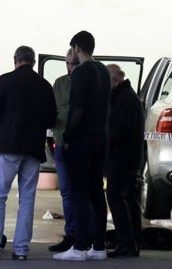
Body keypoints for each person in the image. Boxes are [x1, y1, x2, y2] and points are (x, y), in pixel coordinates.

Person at [0, 46, 57, 261]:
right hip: (33, 149)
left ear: (15, 60)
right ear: (34, 62)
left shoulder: (6, 80)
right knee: (27, 199)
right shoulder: (44, 85)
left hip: (9, 146)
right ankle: (20, 250)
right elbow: (51, 119)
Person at [53, 30, 111, 261]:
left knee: (78, 193)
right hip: (101, 139)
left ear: (77, 48)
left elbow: (76, 109)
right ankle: (98, 247)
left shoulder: (80, 73)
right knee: (97, 192)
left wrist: (68, 138)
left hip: (82, 141)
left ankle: (79, 247)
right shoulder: (104, 71)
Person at [105, 64, 144, 258]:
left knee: (115, 196)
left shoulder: (125, 100)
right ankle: (133, 242)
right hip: (129, 157)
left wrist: (103, 138)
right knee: (129, 198)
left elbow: (119, 131)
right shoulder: (126, 96)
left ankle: (126, 242)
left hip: (123, 157)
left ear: (114, 81)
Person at [49, 49, 80, 252]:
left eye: (74, 64)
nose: (70, 68)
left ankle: (89, 235)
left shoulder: (90, 82)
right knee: (67, 192)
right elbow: (52, 111)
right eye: (67, 63)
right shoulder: (59, 83)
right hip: (61, 144)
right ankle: (72, 235)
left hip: (82, 146)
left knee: (84, 192)